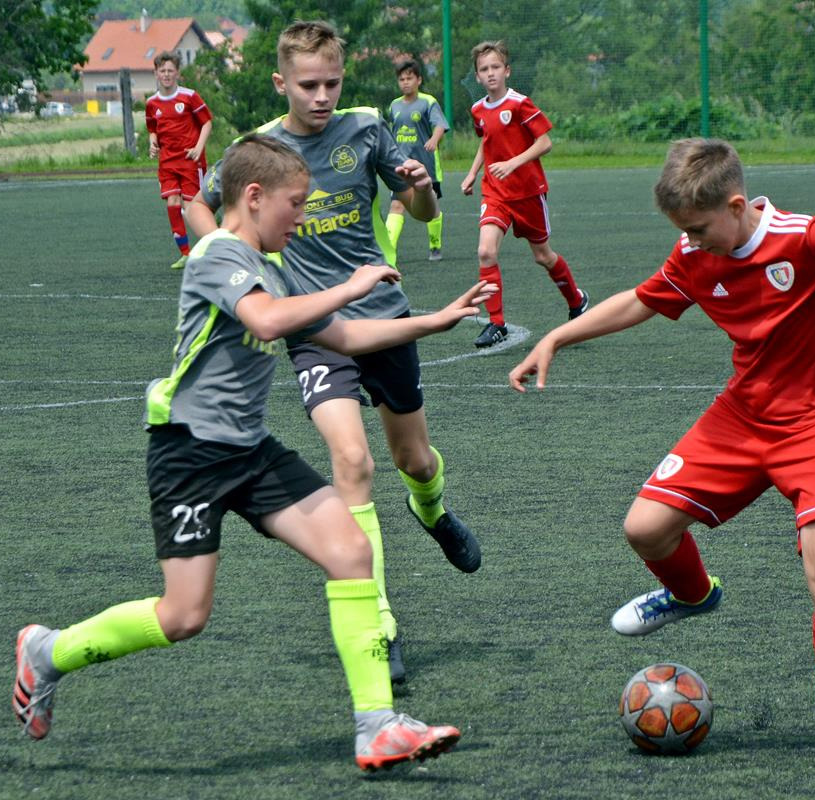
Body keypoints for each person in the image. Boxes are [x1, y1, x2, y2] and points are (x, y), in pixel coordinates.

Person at [509, 138, 815, 776]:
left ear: (737, 206)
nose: (690, 241)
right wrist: (557, 337)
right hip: (741, 417)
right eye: (684, 230)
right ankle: (692, 595)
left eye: (698, 228)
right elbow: (642, 300)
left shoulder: (804, 239)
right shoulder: (693, 253)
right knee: (645, 529)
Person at [12, 134, 494, 771]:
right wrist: (351, 285)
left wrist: (433, 320)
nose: (302, 217)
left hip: (249, 449)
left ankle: (377, 726)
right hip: (189, 453)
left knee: (350, 551)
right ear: (256, 196)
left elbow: (343, 336)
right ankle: (47, 652)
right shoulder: (217, 253)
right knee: (184, 615)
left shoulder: (271, 267)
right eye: (296, 204)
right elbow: (267, 321)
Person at [187, 21, 482, 687]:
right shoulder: (256, 151)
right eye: (308, 85)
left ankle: (431, 511)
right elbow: (198, 207)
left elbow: (421, 210)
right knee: (352, 461)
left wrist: (420, 186)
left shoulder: (366, 130)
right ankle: (378, 621)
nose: (322, 96)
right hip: (315, 330)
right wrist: (234, 265)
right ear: (281, 83)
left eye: (332, 83)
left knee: (415, 460)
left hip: (384, 316)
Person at [461, 40, 589, 349]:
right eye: (484, 69)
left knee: (543, 256)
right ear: (477, 76)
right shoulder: (478, 110)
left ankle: (576, 300)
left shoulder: (520, 104)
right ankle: (496, 323)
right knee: (486, 251)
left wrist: (513, 163)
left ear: (507, 71)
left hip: (528, 193)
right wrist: (473, 172)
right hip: (495, 192)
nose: (490, 73)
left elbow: (545, 142)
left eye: (495, 67)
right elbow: (487, 142)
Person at [145, 51, 213, 271]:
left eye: (170, 71)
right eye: (162, 71)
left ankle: (216, 244)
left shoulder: (189, 96)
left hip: (190, 161)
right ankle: (185, 253)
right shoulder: (151, 103)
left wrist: (198, 148)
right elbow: (152, 129)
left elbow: (207, 122)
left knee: (193, 209)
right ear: (156, 73)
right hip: (167, 162)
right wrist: (153, 143)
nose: (166, 74)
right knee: (173, 203)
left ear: (177, 73)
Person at [384, 59, 449, 266]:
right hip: (402, 167)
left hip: (426, 166)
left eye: (409, 78)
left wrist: (434, 139)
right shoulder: (394, 105)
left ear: (419, 80)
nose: (405, 82)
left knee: (432, 206)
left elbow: (440, 125)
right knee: (396, 205)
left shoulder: (428, 102)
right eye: (401, 79)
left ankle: (435, 244)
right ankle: (388, 253)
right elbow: (391, 132)